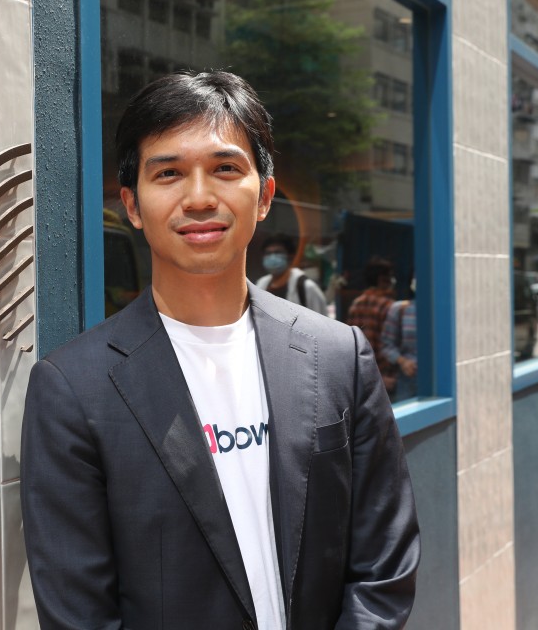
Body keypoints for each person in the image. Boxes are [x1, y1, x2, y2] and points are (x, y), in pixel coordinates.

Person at [21, 71, 419, 629]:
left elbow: (383, 563)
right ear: (133, 206)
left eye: (226, 168)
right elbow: (79, 614)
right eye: (169, 173)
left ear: (264, 195)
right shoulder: (73, 389)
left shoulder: (338, 355)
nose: (200, 197)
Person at [345, 256, 398, 392]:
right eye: (390, 276)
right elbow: (389, 347)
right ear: (382, 279)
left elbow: (350, 344)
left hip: (362, 377)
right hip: (386, 379)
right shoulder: (390, 306)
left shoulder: (356, 303)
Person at [255, 232, 328, 315]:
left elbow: (320, 321)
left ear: (290, 256)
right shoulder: (260, 285)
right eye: (268, 253)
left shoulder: (305, 287)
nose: (273, 257)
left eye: (278, 252)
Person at [381, 276, 417, 402]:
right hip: (406, 380)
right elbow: (386, 345)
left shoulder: (443, 308)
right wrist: (403, 362)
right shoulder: (400, 309)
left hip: (437, 381)